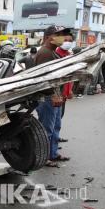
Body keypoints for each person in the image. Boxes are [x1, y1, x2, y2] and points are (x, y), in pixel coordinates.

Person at [35, 25, 71, 167]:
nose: (63, 38)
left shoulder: (51, 52)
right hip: (47, 97)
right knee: (47, 129)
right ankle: (44, 158)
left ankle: (53, 154)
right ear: (50, 37)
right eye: (59, 35)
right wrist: (54, 95)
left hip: (54, 96)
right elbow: (45, 79)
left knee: (55, 127)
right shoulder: (45, 53)